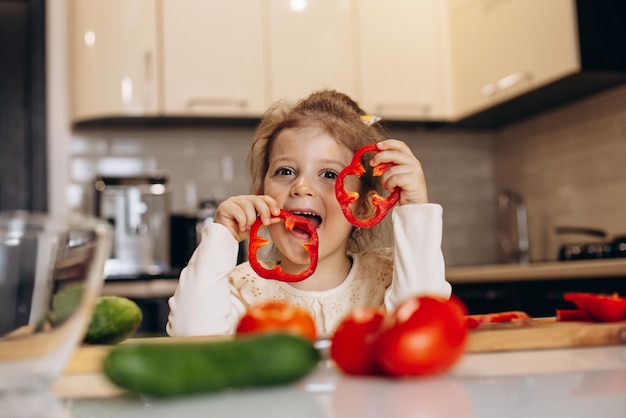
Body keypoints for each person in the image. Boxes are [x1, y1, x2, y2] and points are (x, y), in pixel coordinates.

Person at [166, 89, 451, 337]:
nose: (301, 187)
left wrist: (415, 211)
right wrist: (221, 236)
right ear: (261, 194)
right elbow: (191, 336)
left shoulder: (389, 276)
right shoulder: (243, 288)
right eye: (285, 171)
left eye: (328, 174)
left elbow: (422, 324)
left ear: (364, 206)